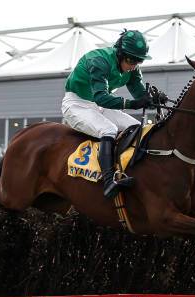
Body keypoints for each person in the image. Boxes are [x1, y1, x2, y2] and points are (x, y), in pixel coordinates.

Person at [62, 29, 166, 199]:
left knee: (137, 128)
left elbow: (140, 94)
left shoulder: (132, 69)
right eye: (131, 59)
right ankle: (109, 181)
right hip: (76, 104)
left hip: (99, 106)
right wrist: (133, 104)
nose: (134, 65)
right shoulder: (99, 61)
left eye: (138, 61)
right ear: (120, 53)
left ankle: (128, 170)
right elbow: (102, 97)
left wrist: (155, 98)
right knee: (108, 129)